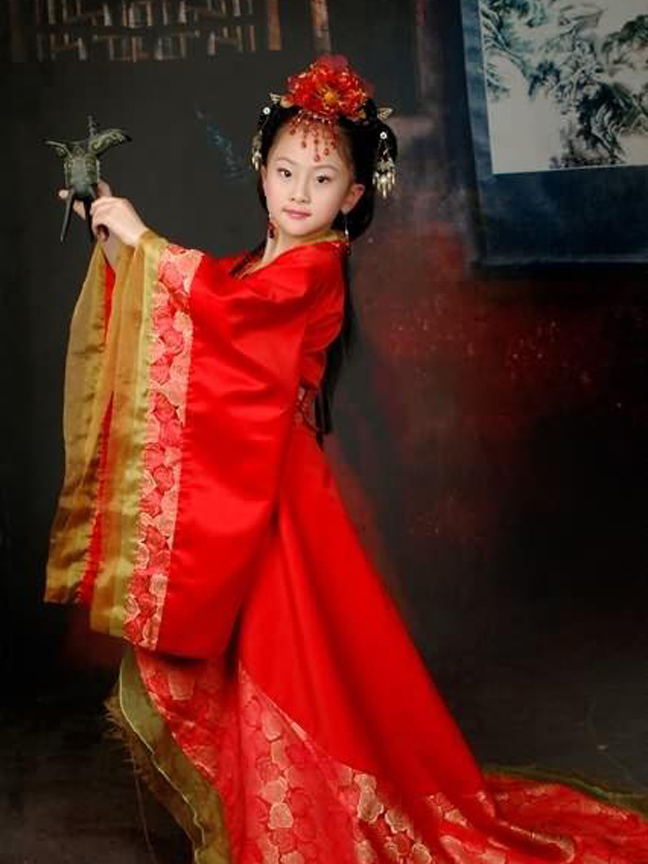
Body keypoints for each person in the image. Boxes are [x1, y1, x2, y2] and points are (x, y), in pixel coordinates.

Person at [46, 55, 648, 864]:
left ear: (354, 195)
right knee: (259, 645)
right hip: (250, 482)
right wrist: (119, 242)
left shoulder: (315, 267)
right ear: (262, 173)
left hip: (280, 493)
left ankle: (298, 813)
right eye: (285, 171)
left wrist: (144, 239)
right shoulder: (255, 264)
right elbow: (201, 314)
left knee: (289, 652)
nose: (299, 192)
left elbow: (228, 312)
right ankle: (258, 802)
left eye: (322, 178)